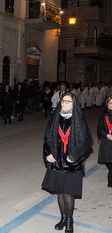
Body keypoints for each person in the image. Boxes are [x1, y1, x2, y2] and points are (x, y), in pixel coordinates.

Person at [42, 92, 93, 233]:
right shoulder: (55, 118)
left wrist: (75, 155)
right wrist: (48, 153)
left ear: (74, 104)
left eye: (68, 101)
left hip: (72, 164)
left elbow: (86, 142)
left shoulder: (79, 119)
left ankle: (70, 221)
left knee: (68, 193)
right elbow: (47, 138)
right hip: (57, 162)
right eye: (63, 101)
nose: (64, 104)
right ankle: (63, 218)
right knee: (60, 192)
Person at [97, 96, 112, 188]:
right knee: (108, 161)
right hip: (107, 142)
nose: (111, 105)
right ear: (107, 104)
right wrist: (106, 135)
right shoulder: (104, 114)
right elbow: (100, 128)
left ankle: (110, 180)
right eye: (110, 103)